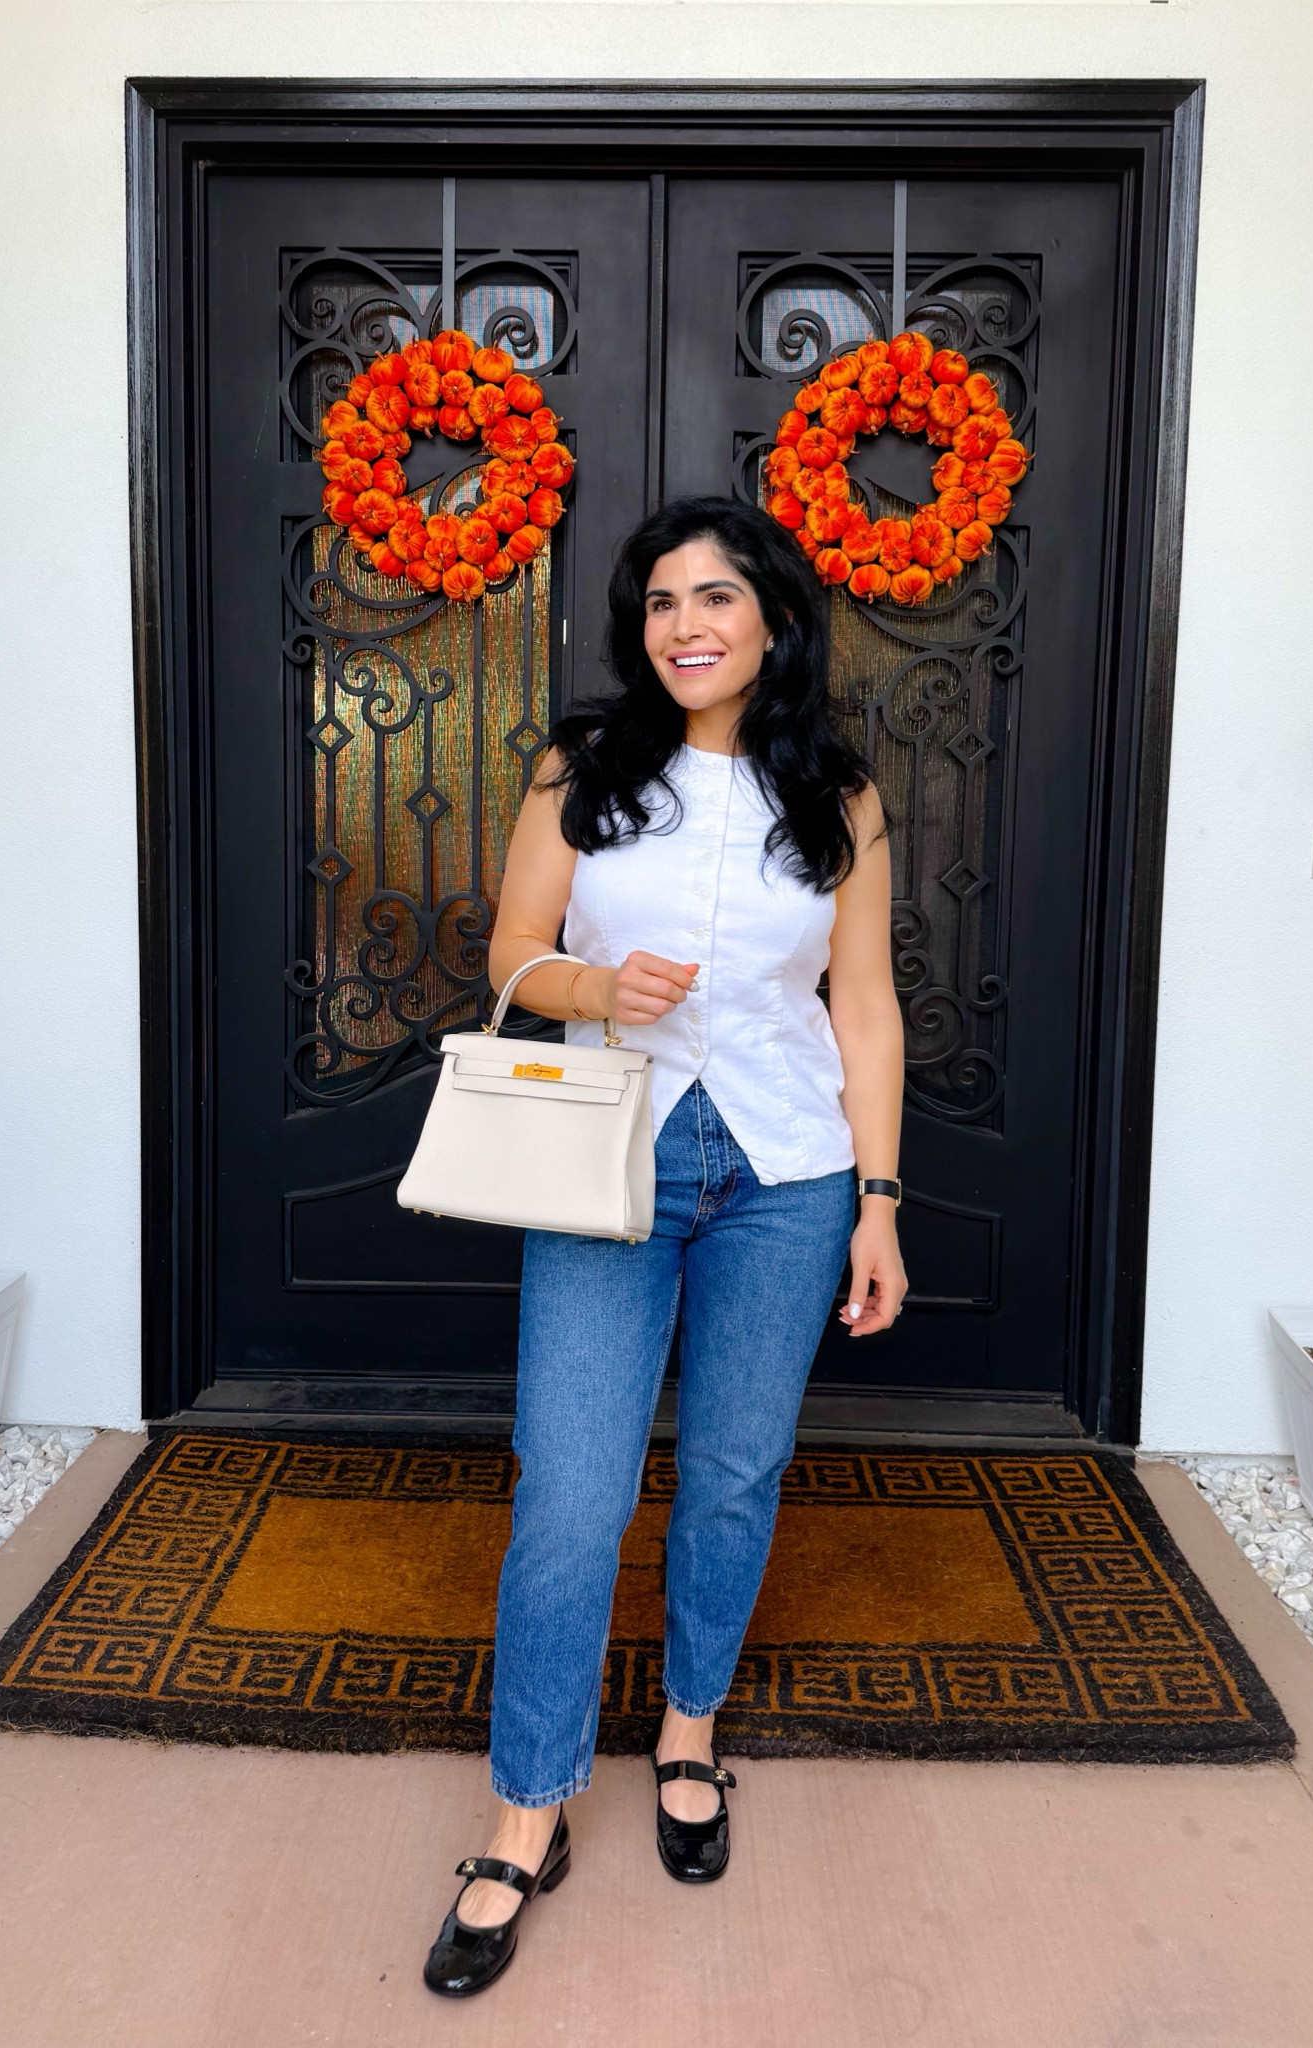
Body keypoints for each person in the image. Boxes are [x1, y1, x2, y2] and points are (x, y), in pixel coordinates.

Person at [424, 496, 907, 1997]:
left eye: (715, 597)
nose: (685, 626)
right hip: (611, 1154)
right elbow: (506, 954)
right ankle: (527, 1812)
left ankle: (689, 1728)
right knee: (571, 1492)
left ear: (772, 615)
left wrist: (880, 1200)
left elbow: (865, 1005)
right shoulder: (585, 768)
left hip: (786, 1170)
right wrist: (590, 985)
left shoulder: (840, 793)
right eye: (658, 605)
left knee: (734, 1476)